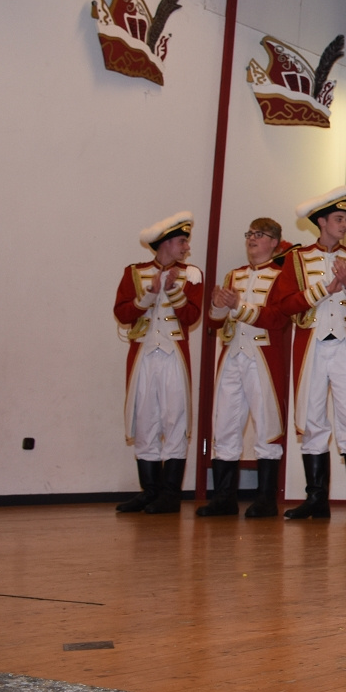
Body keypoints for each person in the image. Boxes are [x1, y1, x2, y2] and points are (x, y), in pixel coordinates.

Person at [267, 186, 346, 522]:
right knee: (312, 419)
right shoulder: (297, 259)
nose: (344, 225)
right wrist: (325, 289)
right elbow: (284, 305)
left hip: (344, 344)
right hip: (312, 344)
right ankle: (316, 498)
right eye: (339, 219)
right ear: (322, 221)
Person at [197, 217, 289, 518]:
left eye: (259, 234)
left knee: (267, 425)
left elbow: (278, 318)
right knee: (224, 423)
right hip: (232, 355)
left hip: (263, 357)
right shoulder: (233, 275)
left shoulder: (281, 277)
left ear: (274, 242)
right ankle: (224, 498)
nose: (252, 238)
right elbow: (214, 322)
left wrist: (238, 306)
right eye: (250, 233)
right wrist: (218, 305)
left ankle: (266, 499)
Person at [114, 212, 202, 514]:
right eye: (182, 241)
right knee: (144, 419)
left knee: (175, 419)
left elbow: (191, 316)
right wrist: (150, 294)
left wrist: (174, 290)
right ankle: (149, 491)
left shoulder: (192, 274)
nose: (186, 247)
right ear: (165, 243)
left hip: (173, 356)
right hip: (144, 356)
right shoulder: (134, 273)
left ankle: (170, 494)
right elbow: (122, 313)